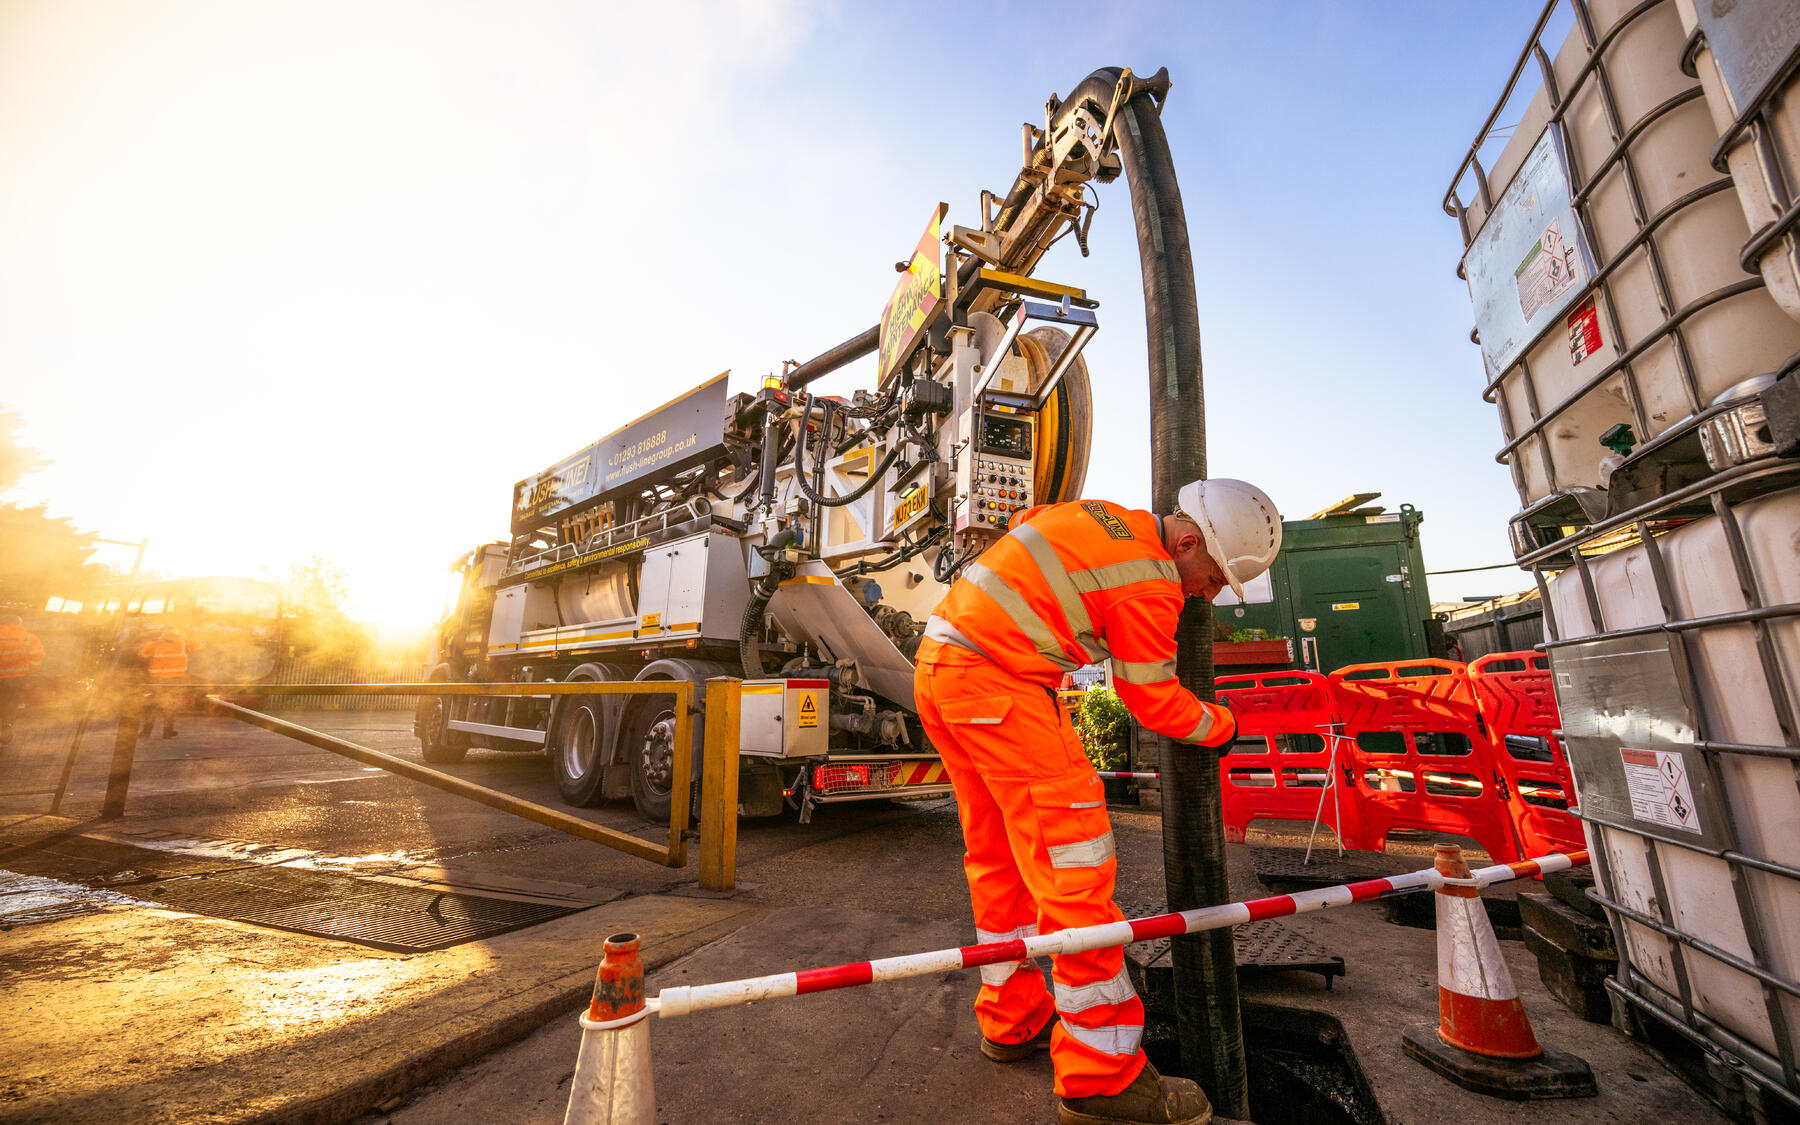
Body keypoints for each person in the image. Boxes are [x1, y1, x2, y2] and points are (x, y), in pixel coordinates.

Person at [915, 478, 1282, 1125]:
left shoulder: (1106, 519)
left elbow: (1028, 527)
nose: (1210, 592)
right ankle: (1100, 1075)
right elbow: (1152, 698)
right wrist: (1221, 726)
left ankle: (1012, 1015)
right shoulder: (1151, 579)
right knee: (1075, 863)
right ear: (1189, 542)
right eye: (1216, 576)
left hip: (941, 662)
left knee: (999, 855)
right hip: (1001, 679)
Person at [137, 623, 200, 739]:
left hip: (157, 680)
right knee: (171, 705)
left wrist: (154, 641)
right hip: (175, 680)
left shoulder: (155, 645)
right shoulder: (182, 644)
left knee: (152, 705)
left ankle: (146, 732)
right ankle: (167, 732)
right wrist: (186, 637)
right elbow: (198, 647)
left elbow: (141, 654)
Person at [0, 614, 47, 747]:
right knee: (11, 702)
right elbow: (37, 656)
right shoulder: (28, 637)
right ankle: (7, 725)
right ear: (19, 624)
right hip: (16, 678)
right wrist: (31, 670)